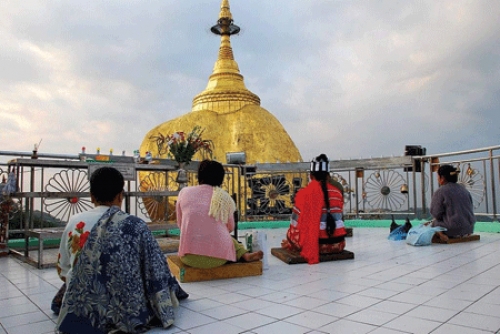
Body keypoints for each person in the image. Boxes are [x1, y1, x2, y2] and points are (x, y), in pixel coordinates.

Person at [56, 166, 187, 334]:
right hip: (127, 309)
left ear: (91, 196)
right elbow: (156, 269)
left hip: (83, 304)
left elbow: (63, 268)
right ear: (120, 196)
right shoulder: (136, 225)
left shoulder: (75, 222)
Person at [176, 159, 263, 269]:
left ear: (199, 176)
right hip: (219, 259)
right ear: (220, 179)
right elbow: (230, 228)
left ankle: (242, 253)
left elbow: (180, 224)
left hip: (188, 258)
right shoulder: (224, 197)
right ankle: (244, 254)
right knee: (230, 239)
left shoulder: (184, 192)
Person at [281, 154, 347, 264]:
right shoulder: (337, 193)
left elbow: (294, 227)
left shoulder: (304, 194)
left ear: (311, 176)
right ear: (328, 176)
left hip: (318, 246)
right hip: (338, 244)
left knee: (291, 234)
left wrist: (290, 242)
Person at [430, 164, 475, 242]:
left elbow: (436, 213)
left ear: (442, 178)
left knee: (433, 224)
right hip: (469, 228)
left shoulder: (441, 191)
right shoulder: (464, 190)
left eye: (438, 176)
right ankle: (463, 233)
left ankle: (442, 235)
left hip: (452, 229)